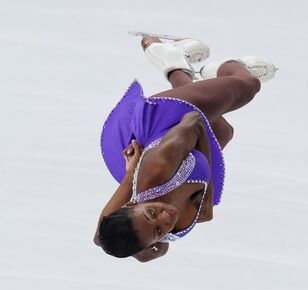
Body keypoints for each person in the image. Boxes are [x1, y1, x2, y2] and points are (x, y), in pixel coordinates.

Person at [94, 34, 277, 263]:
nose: (165, 218)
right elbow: (102, 240)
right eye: (159, 232)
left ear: (132, 203)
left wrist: (207, 195)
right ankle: (174, 61)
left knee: (249, 86)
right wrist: (151, 250)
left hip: (166, 118)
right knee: (222, 130)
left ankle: (223, 69)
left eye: (151, 213)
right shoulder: (145, 233)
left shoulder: (161, 164)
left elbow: (194, 119)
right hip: (188, 151)